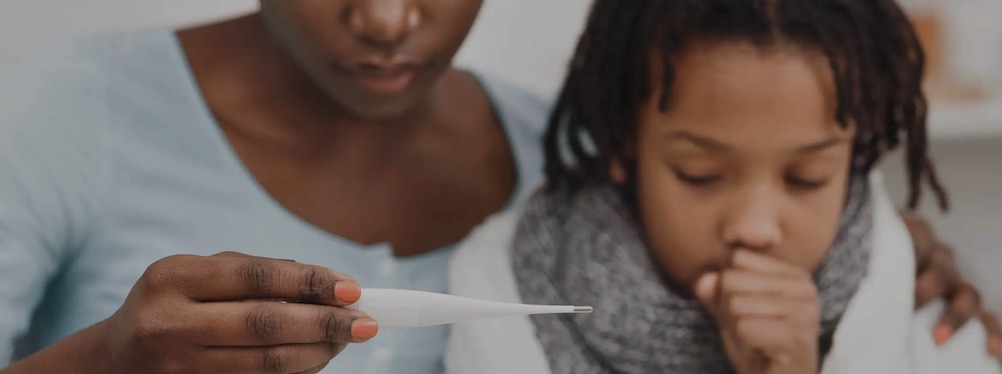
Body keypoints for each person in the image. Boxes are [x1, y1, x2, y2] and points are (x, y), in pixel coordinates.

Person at [0, 1, 995, 373]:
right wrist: (103, 364)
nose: (390, 19)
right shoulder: (65, 110)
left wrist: (879, 255)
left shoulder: (558, 148)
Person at [445, 0, 1002, 373]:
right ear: (622, 146)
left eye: (806, 178)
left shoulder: (923, 299)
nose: (756, 228)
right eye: (700, 174)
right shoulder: (502, 288)